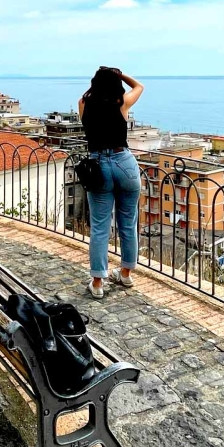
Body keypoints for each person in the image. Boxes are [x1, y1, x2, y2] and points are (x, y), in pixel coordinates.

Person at [78, 66, 145, 299]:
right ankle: (125, 273)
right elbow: (140, 86)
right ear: (116, 84)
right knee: (128, 223)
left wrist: (98, 82)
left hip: (98, 166)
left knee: (99, 227)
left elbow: (90, 96)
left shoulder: (83, 103)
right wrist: (121, 75)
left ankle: (97, 282)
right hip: (124, 162)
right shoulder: (121, 103)